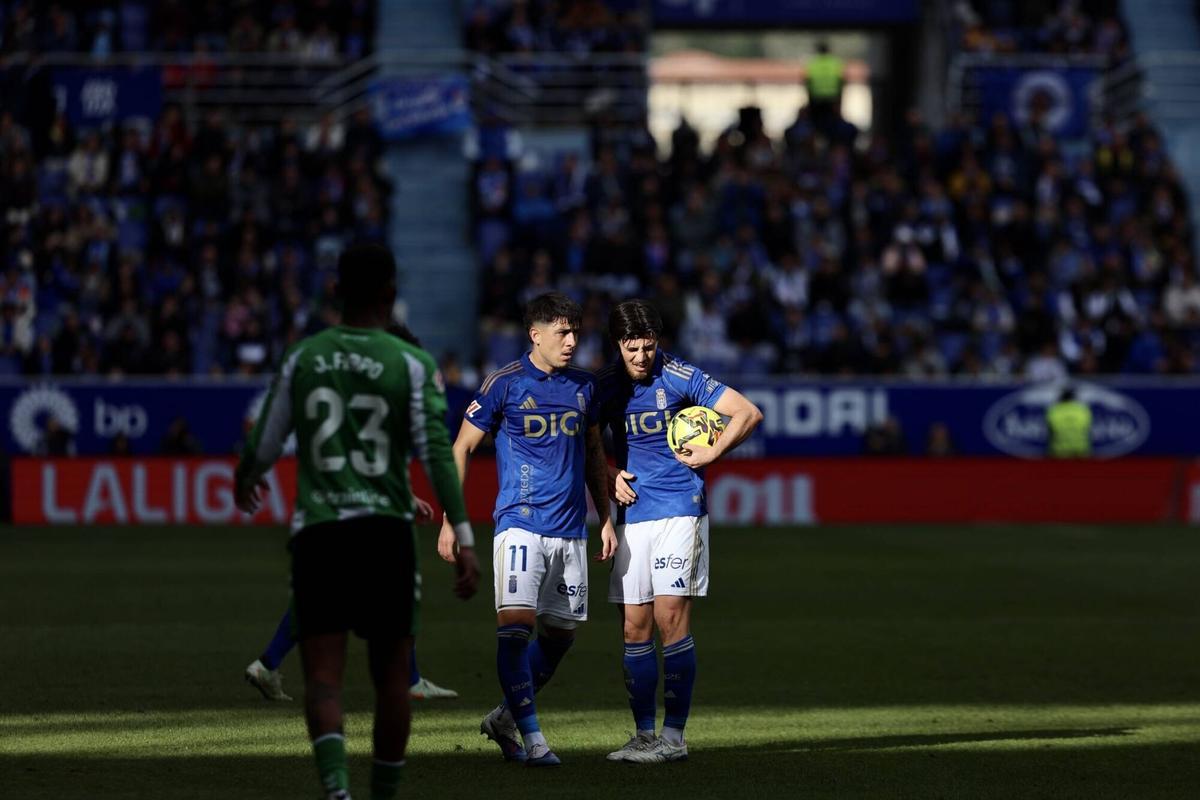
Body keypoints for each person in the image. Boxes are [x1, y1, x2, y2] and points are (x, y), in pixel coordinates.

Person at [234, 242, 479, 800]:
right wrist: (463, 535)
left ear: (335, 290)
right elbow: (437, 455)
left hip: (321, 533)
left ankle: (337, 791)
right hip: (385, 535)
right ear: (391, 292)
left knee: (323, 678)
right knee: (393, 681)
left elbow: (266, 439)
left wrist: (247, 474)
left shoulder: (305, 356)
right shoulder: (411, 363)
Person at [436, 291, 617, 767]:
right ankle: (533, 737)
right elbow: (461, 448)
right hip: (520, 524)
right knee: (516, 628)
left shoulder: (585, 386)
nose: (572, 341)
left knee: (560, 637)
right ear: (535, 335)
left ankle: (504, 717)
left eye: (576, 332)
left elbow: (594, 453)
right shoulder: (505, 383)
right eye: (563, 333)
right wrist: (451, 519)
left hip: (570, 530)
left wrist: (605, 518)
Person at [244, 323, 464, 705]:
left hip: (328, 507)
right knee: (398, 594)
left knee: (320, 593)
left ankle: (268, 664)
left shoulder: (342, 383)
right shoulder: (391, 389)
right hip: (372, 513)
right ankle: (409, 680)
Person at [596, 299, 762, 763]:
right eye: (631, 348)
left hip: (680, 511)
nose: (641, 357)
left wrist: (713, 452)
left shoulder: (679, 376)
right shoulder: (605, 384)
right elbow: (582, 442)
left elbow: (747, 413)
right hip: (634, 515)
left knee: (669, 617)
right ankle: (643, 736)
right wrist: (608, 475)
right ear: (617, 344)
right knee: (634, 628)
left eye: (648, 347)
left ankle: (674, 738)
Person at [1046, 386, 1092, 457]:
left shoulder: (1054, 410)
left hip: (1059, 450)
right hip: (1080, 448)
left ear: (1061, 398)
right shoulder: (1083, 410)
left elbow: (1050, 431)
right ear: (1074, 398)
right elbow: (1087, 429)